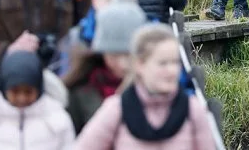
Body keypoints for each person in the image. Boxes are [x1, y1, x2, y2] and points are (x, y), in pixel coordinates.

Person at [74, 24, 215, 150]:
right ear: (139, 65)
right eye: (163, 63)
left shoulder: (194, 110)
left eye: (175, 62)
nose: (172, 71)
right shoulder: (116, 109)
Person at [64, 0, 147, 133]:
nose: (123, 64)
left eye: (128, 55)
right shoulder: (80, 91)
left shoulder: (156, 87)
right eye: (114, 55)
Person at [0, 51, 75, 150]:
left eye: (28, 92)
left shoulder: (57, 118)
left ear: (39, 87)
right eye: (15, 91)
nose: (22, 98)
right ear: (3, 86)